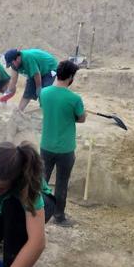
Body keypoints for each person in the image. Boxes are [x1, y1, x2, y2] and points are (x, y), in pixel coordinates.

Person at [39, 60, 86, 227]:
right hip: (65, 149)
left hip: (45, 145)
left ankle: (37, 212)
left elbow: (44, 107)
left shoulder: (43, 92)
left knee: (40, 181)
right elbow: (81, 118)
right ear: (71, 77)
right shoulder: (74, 98)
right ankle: (59, 216)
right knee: (61, 183)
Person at [3, 48, 58, 113]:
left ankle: (45, 110)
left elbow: (37, 74)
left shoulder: (27, 58)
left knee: (43, 91)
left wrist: (38, 88)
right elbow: (13, 80)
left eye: (12, 64)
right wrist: (6, 95)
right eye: (10, 65)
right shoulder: (14, 65)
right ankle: (19, 111)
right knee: (28, 91)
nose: (12, 66)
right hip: (36, 70)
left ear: (17, 58)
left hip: (49, 68)